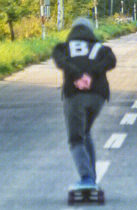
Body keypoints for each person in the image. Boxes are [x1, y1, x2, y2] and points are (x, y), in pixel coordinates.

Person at [52, 17, 117, 191]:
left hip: (74, 95)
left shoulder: (63, 48)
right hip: (98, 96)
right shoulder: (100, 48)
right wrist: (91, 74)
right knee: (85, 132)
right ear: (90, 31)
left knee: (76, 138)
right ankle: (92, 179)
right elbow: (111, 60)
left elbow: (61, 62)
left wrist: (77, 76)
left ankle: (87, 178)